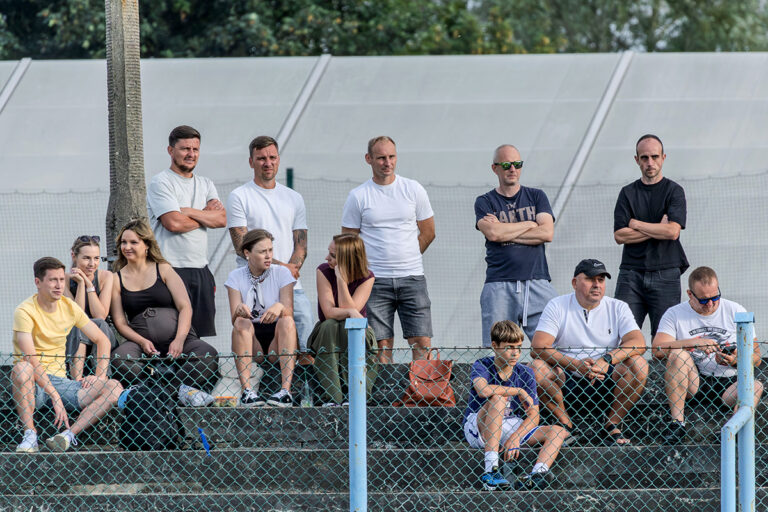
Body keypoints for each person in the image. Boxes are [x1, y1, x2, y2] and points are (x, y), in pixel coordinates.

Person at [530, 259, 647, 446]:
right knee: (537, 368)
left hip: (606, 376)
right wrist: (575, 365)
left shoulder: (618, 306)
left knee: (639, 364)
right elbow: (538, 347)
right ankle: (565, 425)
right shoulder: (557, 305)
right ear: (574, 283)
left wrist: (606, 360)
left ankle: (612, 424)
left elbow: (638, 342)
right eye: (590, 279)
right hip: (567, 376)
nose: (597, 285)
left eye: (601, 280)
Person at [12, 257, 123, 453]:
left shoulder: (69, 306)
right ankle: (30, 436)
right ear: (38, 282)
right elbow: (30, 359)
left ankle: (67, 435)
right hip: (34, 382)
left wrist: (99, 376)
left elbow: (102, 340)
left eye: (62, 280)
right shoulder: (24, 311)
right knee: (22, 368)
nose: (59, 285)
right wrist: (54, 395)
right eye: (53, 280)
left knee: (114, 387)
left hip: (61, 382)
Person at [341, 135, 435, 363]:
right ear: (368, 159)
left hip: (412, 277)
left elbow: (428, 232)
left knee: (421, 341)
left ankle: (422, 386)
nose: (387, 162)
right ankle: (384, 386)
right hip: (374, 280)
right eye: (381, 158)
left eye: (392, 156)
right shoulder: (358, 196)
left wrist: (408, 256)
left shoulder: (413, 189)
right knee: (381, 345)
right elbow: (348, 241)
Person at [110, 220, 219, 406]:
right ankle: (167, 392)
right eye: (123, 242)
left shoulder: (163, 269)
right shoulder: (116, 278)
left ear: (146, 245)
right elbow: (120, 322)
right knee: (120, 359)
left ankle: (163, 392)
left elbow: (185, 307)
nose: (127, 247)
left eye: (133, 242)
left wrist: (179, 339)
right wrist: (142, 341)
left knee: (207, 354)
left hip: (180, 338)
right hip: (141, 343)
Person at [652, 266, 763, 445]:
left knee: (756, 385)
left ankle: (733, 430)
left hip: (730, 382)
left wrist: (736, 360)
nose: (710, 304)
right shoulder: (675, 313)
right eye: (703, 300)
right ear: (690, 294)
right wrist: (692, 343)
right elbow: (657, 350)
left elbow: (756, 356)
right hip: (695, 379)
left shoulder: (735, 310)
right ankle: (677, 424)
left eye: (715, 297)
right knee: (677, 355)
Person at [226, 135, 312, 355]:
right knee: (257, 352)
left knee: (305, 347)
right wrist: (282, 268)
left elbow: (300, 244)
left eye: (272, 157)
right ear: (251, 162)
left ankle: (298, 378)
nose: (268, 163)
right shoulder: (239, 196)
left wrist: (288, 272)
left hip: (290, 286)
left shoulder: (294, 198)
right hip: (253, 287)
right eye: (261, 158)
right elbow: (241, 245)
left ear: (278, 159)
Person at [463, 320, 566, 491]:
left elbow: (534, 414)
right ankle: (491, 472)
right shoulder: (482, 365)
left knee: (558, 431)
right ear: (495, 346)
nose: (515, 353)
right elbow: (482, 390)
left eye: (518, 347)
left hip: (510, 424)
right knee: (498, 399)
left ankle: (536, 475)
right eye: (509, 347)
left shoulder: (525, 372)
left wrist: (516, 437)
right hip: (479, 426)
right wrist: (518, 390)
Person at [147, 125, 225, 338]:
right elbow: (173, 223)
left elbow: (221, 219)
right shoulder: (161, 182)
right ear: (170, 150)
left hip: (201, 270)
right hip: (170, 268)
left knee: (198, 336)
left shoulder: (206, 184)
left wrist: (189, 211)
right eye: (184, 149)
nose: (191, 154)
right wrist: (205, 215)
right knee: (170, 333)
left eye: (195, 149)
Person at [475, 144, 556, 346]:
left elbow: (546, 233)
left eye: (517, 164)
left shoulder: (537, 196)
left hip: (537, 281)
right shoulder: (485, 201)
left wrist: (505, 231)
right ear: (495, 168)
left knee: (551, 348)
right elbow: (493, 233)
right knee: (497, 350)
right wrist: (529, 224)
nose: (512, 169)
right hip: (499, 284)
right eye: (506, 165)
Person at [614, 134, 689, 337]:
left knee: (664, 338)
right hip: (631, 273)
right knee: (622, 335)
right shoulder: (627, 193)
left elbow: (672, 232)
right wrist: (658, 229)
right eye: (644, 157)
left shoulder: (674, 191)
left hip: (666, 272)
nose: (650, 162)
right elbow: (620, 236)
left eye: (654, 157)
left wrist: (636, 224)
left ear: (663, 157)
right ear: (636, 160)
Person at [226, 229, 298, 407]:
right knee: (241, 322)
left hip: (277, 336)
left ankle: (285, 391)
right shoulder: (236, 276)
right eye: (262, 251)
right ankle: (247, 392)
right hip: (251, 338)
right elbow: (234, 318)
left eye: (270, 250)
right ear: (247, 253)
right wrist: (239, 310)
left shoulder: (281, 273)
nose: (268, 256)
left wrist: (280, 306)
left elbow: (289, 310)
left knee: (287, 320)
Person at [309, 233, 378, 406]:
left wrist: (341, 279)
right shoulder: (323, 271)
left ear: (347, 259)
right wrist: (350, 311)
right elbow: (329, 313)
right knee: (330, 325)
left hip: (355, 331)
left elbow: (353, 318)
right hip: (328, 332)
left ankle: (355, 395)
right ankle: (332, 397)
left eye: (332, 255)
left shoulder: (367, 277)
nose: (327, 258)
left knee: (352, 328)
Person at [64, 235, 117, 376]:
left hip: (102, 334)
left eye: (96, 258)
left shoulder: (106, 276)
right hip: (74, 336)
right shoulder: (64, 280)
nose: (92, 264)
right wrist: (81, 284)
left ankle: (101, 377)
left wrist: (89, 285)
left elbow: (100, 315)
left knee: (100, 323)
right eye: (86, 258)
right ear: (74, 256)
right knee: (79, 325)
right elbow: (78, 315)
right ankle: (76, 381)